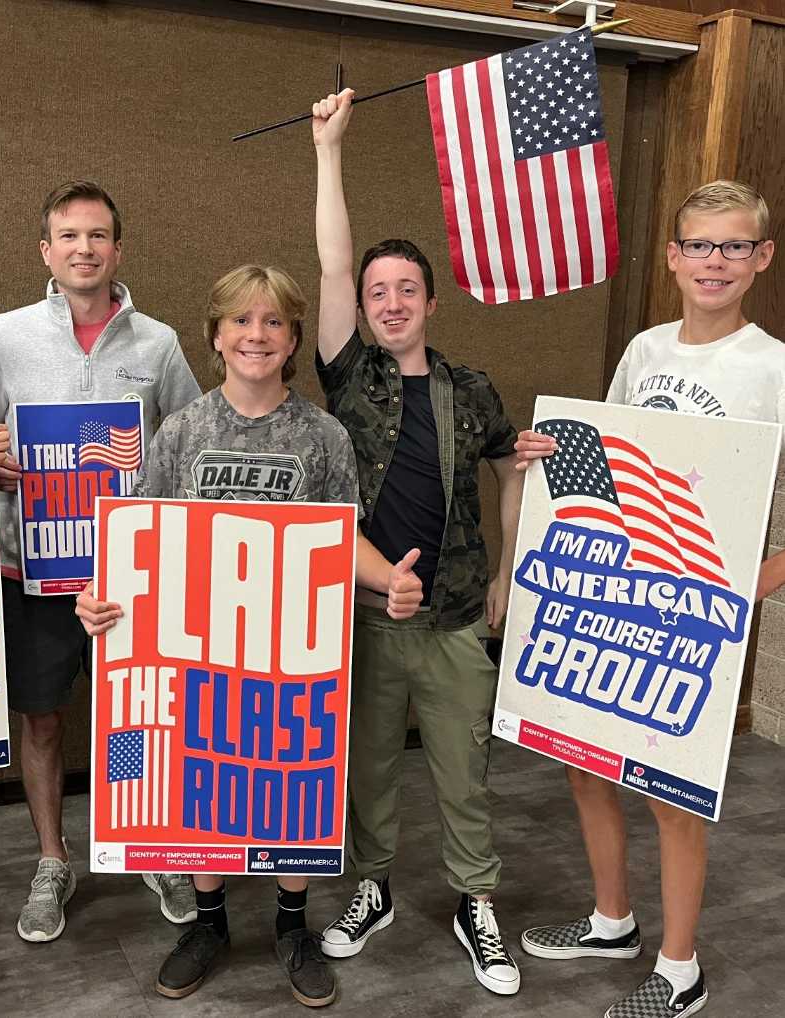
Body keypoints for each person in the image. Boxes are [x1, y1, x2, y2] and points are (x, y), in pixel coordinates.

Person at [74, 263, 424, 1007]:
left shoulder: (321, 434)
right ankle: (208, 923)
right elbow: (140, 541)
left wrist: (388, 577)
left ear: (294, 337)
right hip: (199, 650)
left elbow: (343, 538)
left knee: (292, 782)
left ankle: (292, 925)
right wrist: (99, 600)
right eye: (241, 320)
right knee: (201, 781)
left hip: (293, 655)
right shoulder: (183, 431)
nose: (256, 335)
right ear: (216, 335)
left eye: (272, 322)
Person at [516, 179, 784, 1018]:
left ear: (761, 258)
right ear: (672, 256)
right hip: (626, 597)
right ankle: (612, 920)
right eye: (700, 244)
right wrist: (549, 454)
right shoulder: (643, 351)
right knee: (585, 763)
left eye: (734, 246)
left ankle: (680, 970)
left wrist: (741, 597)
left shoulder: (773, 368)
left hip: (702, 610)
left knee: (672, 791)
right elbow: (614, 466)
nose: (715, 261)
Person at [309, 90, 525, 997]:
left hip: (452, 619)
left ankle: (477, 902)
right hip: (363, 616)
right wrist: (330, 151)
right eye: (374, 292)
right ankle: (374, 887)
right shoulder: (348, 374)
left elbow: (514, 471)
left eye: (405, 289)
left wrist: (508, 581)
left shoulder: (472, 389)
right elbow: (328, 257)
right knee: (366, 774)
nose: (389, 302)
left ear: (430, 301)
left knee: (462, 772)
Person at [0, 181, 202, 942]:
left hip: (134, 573)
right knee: (42, 722)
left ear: (118, 250)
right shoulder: (4, 335)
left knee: (140, 718)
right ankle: (53, 857)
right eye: (69, 237)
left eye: (97, 236)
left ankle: (152, 846)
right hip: (32, 568)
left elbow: (189, 437)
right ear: (47, 251)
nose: (84, 249)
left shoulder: (157, 342)